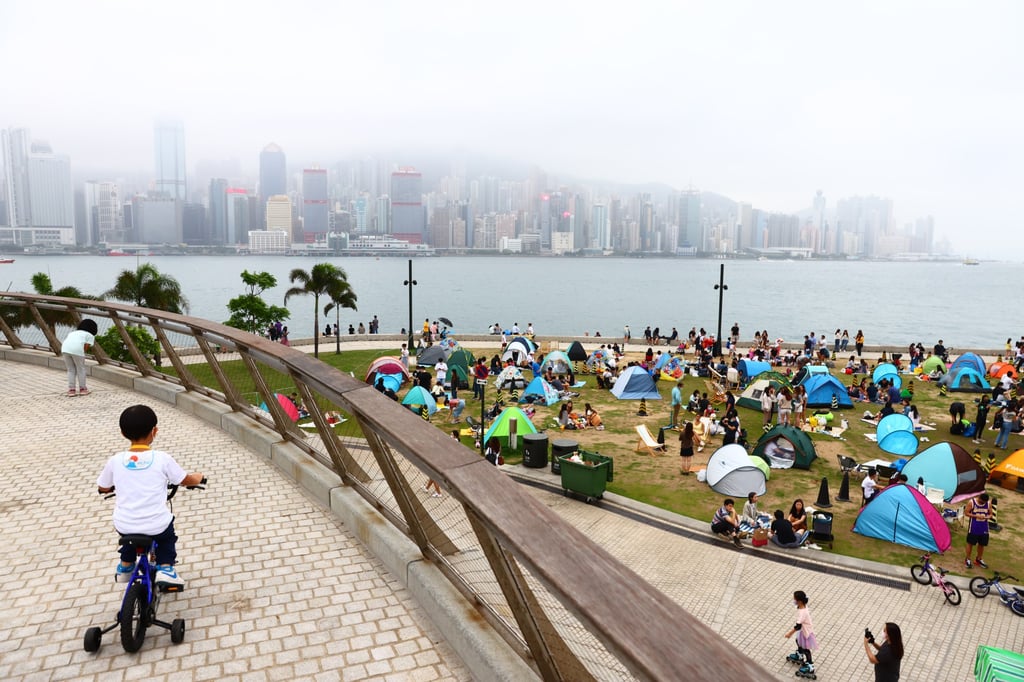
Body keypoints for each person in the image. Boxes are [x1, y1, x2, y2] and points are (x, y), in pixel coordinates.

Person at [96, 405, 204, 588]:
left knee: (129, 535)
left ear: (123, 433)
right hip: (156, 524)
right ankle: (166, 568)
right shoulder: (162, 458)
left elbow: (103, 487)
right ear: (154, 431)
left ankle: (126, 565)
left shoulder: (115, 460)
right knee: (167, 537)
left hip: (125, 524)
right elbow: (184, 479)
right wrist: (197, 478)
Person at [783, 591, 817, 676]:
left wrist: (789, 634)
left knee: (806, 648)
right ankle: (800, 654)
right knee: (798, 641)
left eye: (795, 599)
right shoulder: (801, 606)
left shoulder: (803, 613)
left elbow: (797, 626)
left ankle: (810, 665)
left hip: (806, 631)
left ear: (800, 601)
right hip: (802, 630)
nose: (793, 600)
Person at [61, 318, 98, 396]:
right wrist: (81, 354)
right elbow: (85, 347)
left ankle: (71, 390)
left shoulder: (72, 333)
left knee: (70, 370)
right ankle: (83, 389)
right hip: (77, 349)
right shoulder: (89, 335)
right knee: (80, 369)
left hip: (65, 348)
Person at [964, 492, 992, 568]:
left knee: (982, 544)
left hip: (984, 527)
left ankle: (978, 559)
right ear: (979, 498)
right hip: (974, 526)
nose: (982, 503)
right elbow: (966, 513)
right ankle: (967, 559)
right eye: (981, 502)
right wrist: (976, 515)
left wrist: (986, 517)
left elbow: (990, 514)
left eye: (984, 502)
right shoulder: (972, 502)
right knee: (970, 543)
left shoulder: (988, 503)